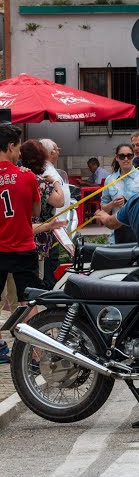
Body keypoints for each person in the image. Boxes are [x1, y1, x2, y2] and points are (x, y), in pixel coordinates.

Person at [0, 124, 42, 365]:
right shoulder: (27, 176)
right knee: (28, 302)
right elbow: (35, 211)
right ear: (9, 146)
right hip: (23, 246)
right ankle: (35, 354)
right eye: (17, 148)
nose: (19, 154)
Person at [20, 141, 67, 288]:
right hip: (40, 233)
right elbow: (59, 201)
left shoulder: (20, 177)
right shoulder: (40, 182)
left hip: (21, 230)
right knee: (40, 274)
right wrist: (55, 182)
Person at [100, 144, 139, 244]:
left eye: (129, 156)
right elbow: (103, 208)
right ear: (117, 158)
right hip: (117, 231)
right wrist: (113, 204)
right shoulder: (110, 179)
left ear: (133, 157)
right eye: (122, 156)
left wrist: (129, 202)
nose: (126, 159)